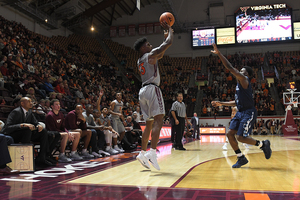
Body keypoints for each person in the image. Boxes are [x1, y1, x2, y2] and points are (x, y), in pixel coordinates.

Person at [211, 43, 271, 168]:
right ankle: (241, 158)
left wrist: (219, 54)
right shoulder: (239, 86)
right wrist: (220, 103)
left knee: (241, 137)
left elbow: (230, 67)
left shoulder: (244, 80)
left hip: (249, 112)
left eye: (242, 71)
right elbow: (236, 102)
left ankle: (263, 144)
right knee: (230, 134)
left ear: (246, 74)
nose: (239, 72)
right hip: (240, 111)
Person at [134, 21, 173, 170]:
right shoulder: (150, 54)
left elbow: (161, 53)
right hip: (152, 89)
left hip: (142, 91)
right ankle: (152, 152)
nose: (151, 46)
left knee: (149, 124)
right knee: (159, 120)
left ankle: (142, 153)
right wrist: (170, 30)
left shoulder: (140, 60)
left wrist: (164, 40)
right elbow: (169, 43)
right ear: (144, 47)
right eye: (149, 44)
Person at [1, 97, 54, 166]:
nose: (31, 103)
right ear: (22, 103)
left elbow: (35, 122)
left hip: (26, 134)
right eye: (29, 102)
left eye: (31, 101)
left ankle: (41, 158)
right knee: (27, 130)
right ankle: (26, 158)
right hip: (14, 134)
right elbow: (7, 128)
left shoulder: (29, 112)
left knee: (43, 131)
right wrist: (22, 125)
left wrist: (38, 125)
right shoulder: (16, 112)